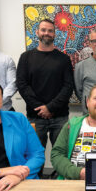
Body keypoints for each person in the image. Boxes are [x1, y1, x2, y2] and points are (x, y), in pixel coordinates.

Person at [16, 18, 74, 152]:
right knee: (34, 155)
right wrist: (40, 108)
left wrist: (50, 107)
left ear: (54, 34)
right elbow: (22, 85)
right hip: (35, 117)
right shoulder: (26, 57)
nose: (46, 33)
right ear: (37, 32)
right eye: (43, 30)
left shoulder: (64, 59)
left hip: (60, 117)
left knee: (62, 154)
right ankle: (37, 174)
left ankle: (60, 174)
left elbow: (68, 86)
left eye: (50, 31)